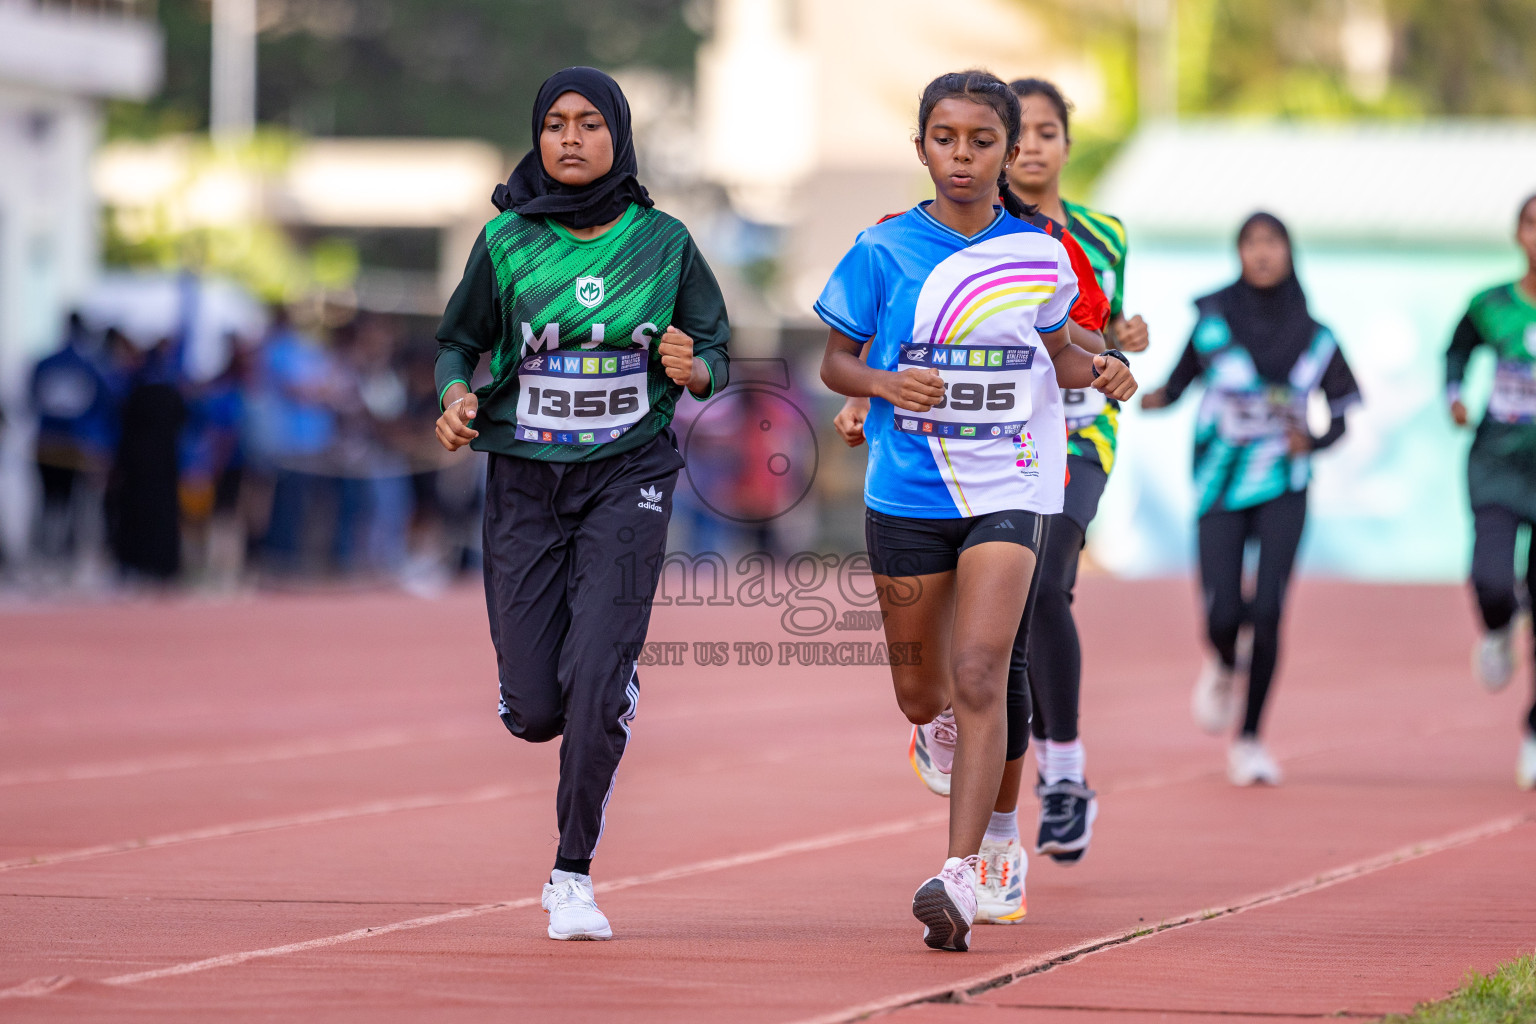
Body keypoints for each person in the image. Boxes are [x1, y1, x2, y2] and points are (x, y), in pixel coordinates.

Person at [816, 69, 1136, 952]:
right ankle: (941, 730)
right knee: (924, 695)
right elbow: (835, 362)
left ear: (1008, 150)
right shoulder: (881, 250)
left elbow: (1062, 350)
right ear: (921, 147)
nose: (963, 156)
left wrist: (1102, 368)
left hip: (1011, 481)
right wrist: (882, 382)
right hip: (908, 490)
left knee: (986, 665)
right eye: (945, 139)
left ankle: (963, 873)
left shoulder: (1039, 252)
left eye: (982, 141)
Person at [433, 67, 730, 941]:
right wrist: (454, 395)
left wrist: (697, 366)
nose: (570, 137)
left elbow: (714, 342)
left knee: (597, 678)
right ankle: (566, 695)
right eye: (555, 123)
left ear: (618, 137)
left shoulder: (664, 242)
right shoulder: (505, 243)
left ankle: (572, 874)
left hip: (627, 473)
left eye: (589, 123)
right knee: (536, 710)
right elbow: (459, 342)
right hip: (524, 480)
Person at [1141, 212, 1359, 786]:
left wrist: (1311, 440)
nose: (1262, 254)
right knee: (1221, 613)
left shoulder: (1317, 337)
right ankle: (1221, 659)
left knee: (1267, 611)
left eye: (1273, 243)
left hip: (1284, 484)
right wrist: (1150, 395)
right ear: (1238, 254)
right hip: (1219, 483)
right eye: (1251, 243)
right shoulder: (1213, 324)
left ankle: (1251, 738)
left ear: (1290, 254)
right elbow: (1179, 380)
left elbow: (1342, 413)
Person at [1446, 193, 1536, 789]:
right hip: (1498, 466)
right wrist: (1454, 392)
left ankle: (1533, 731)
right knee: (1491, 578)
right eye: (1533, 223)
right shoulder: (1491, 304)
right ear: (1517, 233)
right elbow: (1457, 350)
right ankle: (1498, 625)